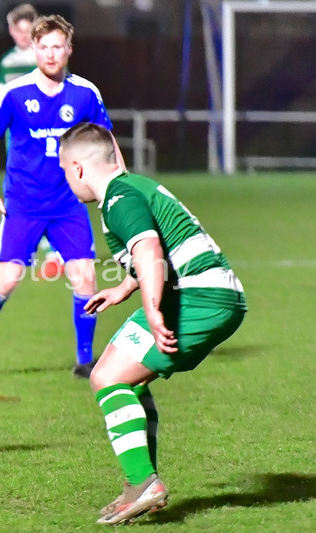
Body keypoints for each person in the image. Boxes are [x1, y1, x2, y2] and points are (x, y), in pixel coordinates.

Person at [57, 122, 247, 525]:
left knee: (106, 377)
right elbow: (158, 249)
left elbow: (149, 248)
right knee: (130, 380)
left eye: (64, 171)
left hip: (199, 296)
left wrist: (154, 309)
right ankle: (139, 484)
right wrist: (124, 288)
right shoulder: (132, 187)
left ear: (77, 168)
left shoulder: (118, 199)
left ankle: (143, 483)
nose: (66, 181)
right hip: (211, 292)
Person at [0, 15, 122, 380]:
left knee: (85, 278)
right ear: (34, 49)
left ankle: (85, 360)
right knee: (7, 280)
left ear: (69, 49)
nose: (50, 54)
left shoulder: (85, 93)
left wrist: (118, 184)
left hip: (69, 204)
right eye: (43, 47)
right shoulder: (14, 92)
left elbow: (106, 139)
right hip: (24, 204)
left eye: (57, 46)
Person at [0, 3, 63, 279]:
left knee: (45, 191)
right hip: (17, 137)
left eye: (26, 31)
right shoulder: (7, 62)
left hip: (46, 136)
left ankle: (52, 254)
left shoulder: (47, 57)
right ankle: (17, 255)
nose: (22, 36)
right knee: (19, 191)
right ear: (10, 31)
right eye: (17, 31)